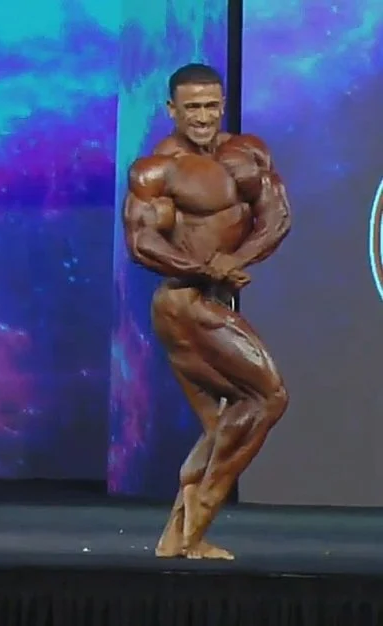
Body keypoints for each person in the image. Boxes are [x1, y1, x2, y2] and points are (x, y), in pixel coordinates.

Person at [123, 63, 291, 560]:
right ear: (172, 110)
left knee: (224, 424)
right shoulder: (157, 169)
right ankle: (200, 513)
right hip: (182, 303)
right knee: (269, 397)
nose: (202, 116)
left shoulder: (247, 153)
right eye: (192, 107)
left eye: (211, 106)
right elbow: (141, 243)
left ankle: (178, 537)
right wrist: (202, 267)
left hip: (211, 298)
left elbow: (277, 218)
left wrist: (235, 261)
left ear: (223, 106)